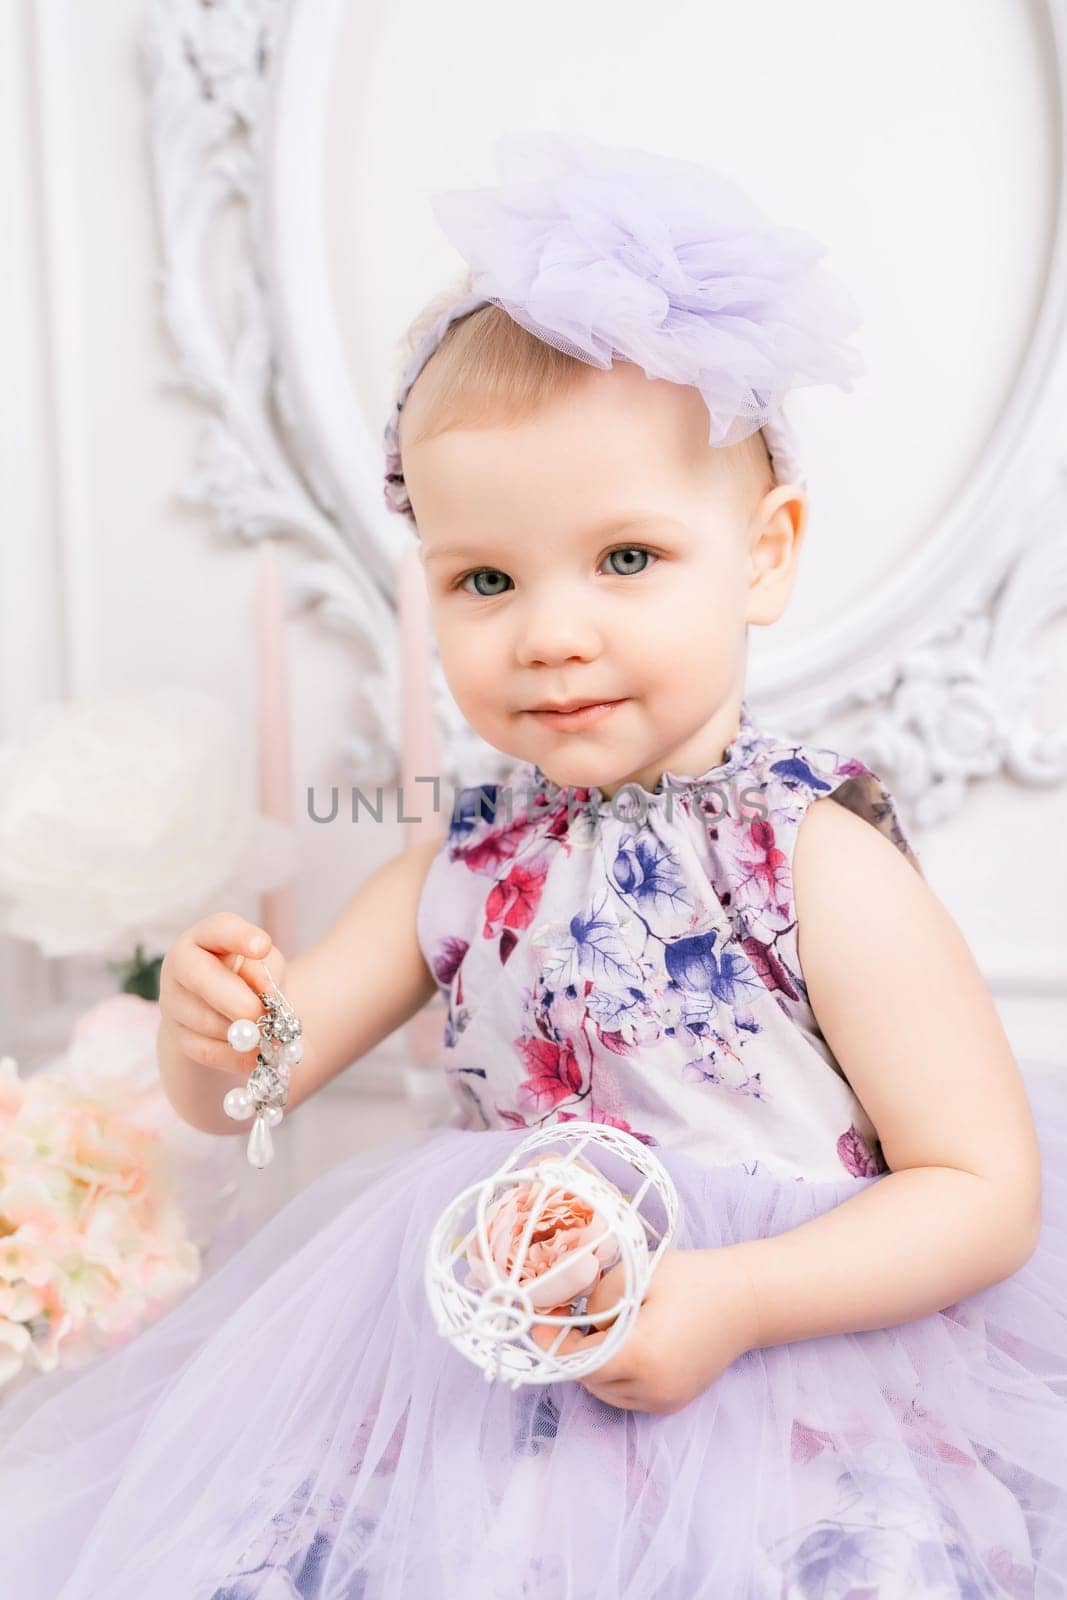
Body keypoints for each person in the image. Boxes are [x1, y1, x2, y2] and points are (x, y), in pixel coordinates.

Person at [2, 129, 1066, 1598]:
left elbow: (981, 1188)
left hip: (786, 1379)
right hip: (494, 1395)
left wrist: (736, 1301)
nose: (549, 630)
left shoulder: (812, 861)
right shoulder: (468, 862)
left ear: (763, 554)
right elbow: (257, 1085)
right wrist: (215, 1034)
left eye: (624, 560)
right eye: (485, 580)